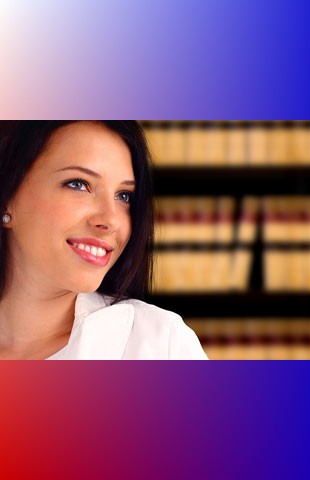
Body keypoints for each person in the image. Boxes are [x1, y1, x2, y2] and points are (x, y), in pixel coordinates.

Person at [0, 121, 207, 359]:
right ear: (7, 197)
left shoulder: (160, 345)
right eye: (78, 184)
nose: (111, 220)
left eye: (124, 196)